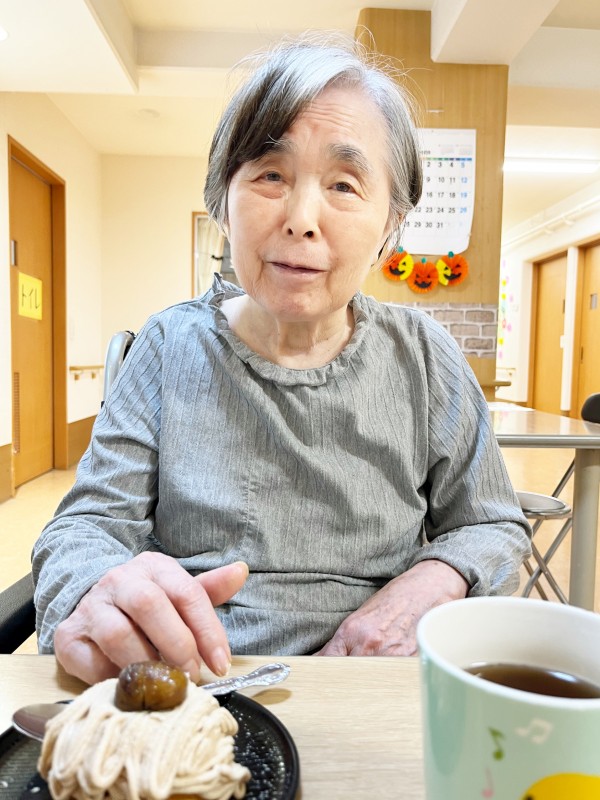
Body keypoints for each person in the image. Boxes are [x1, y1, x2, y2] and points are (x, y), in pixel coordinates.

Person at [32, 33, 531, 686]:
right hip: (196, 680)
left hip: (376, 683)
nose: (301, 219)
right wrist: (97, 588)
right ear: (223, 200)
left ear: (390, 225)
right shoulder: (168, 345)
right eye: (270, 174)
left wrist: (429, 582)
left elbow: (493, 525)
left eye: (344, 184)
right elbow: (85, 527)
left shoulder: (425, 356)